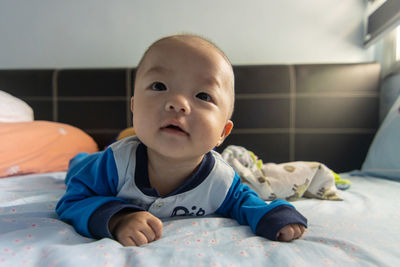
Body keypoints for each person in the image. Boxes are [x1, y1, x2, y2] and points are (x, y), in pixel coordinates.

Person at [56, 34, 307, 247]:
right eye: (159, 86)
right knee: (81, 167)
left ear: (223, 132)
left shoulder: (219, 180)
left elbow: (246, 202)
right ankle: (79, 159)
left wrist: (272, 215)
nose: (177, 103)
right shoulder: (115, 163)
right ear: (134, 107)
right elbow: (74, 200)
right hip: (92, 163)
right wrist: (117, 219)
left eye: (202, 95)